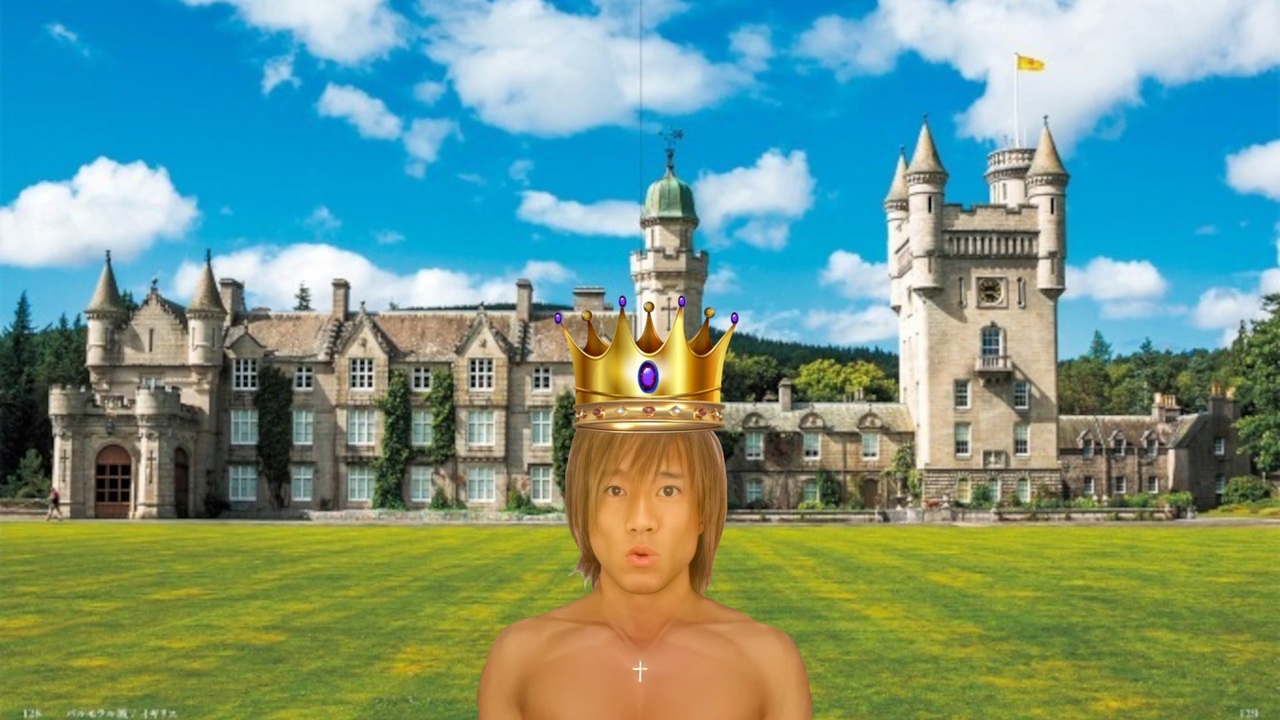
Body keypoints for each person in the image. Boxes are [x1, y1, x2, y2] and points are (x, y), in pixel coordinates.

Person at [478, 298, 812, 719]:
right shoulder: (519, 658)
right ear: (582, 505)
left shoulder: (769, 661)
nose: (641, 522)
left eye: (668, 491)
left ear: (705, 507)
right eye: (615, 490)